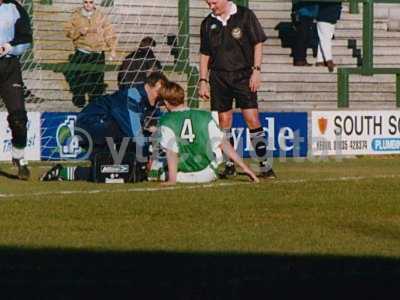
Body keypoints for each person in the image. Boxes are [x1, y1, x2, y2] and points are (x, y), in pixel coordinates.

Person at [40, 72, 168, 182]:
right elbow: (133, 133)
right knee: (123, 162)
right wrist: (149, 151)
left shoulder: (144, 101)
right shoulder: (132, 97)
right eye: (161, 90)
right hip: (92, 123)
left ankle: (64, 172)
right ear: (155, 85)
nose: (162, 95)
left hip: (101, 125)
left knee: (113, 171)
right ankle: (151, 171)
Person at [198, 0, 276, 179]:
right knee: (224, 122)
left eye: (214, 2)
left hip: (243, 75)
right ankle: (229, 164)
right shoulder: (207, 23)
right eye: (208, 3)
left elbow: (258, 43)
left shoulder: (245, 15)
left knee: (252, 118)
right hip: (218, 77)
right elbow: (204, 54)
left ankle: (265, 165)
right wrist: (203, 80)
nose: (211, 6)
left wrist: (256, 71)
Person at [158, 81, 259, 185]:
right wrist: (245, 167)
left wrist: (172, 180)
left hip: (181, 175)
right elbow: (223, 143)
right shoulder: (205, 116)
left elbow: (171, 152)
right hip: (206, 174)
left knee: (156, 165)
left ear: (166, 102)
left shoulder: (166, 121)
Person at [0, 0, 33, 180]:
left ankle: (19, 157)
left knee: (19, 118)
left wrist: (9, 47)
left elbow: (26, 39)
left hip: (9, 67)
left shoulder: (14, 8)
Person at [64, 0, 117, 108]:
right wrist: (79, 31)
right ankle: (79, 99)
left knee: (97, 80)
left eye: (91, 2)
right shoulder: (76, 15)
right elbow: (68, 31)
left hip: (97, 53)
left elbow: (109, 32)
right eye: (86, 2)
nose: (88, 5)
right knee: (81, 78)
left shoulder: (100, 15)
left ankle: (95, 103)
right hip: (83, 51)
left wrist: (112, 49)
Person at [315, 2, 342, 72]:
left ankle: (320, 60)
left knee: (324, 38)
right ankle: (328, 60)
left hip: (331, 17)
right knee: (325, 39)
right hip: (324, 17)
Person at [292, 1, 319, 66]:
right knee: (302, 36)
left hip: (311, 12)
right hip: (303, 12)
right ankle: (299, 59)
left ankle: (302, 59)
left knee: (306, 36)